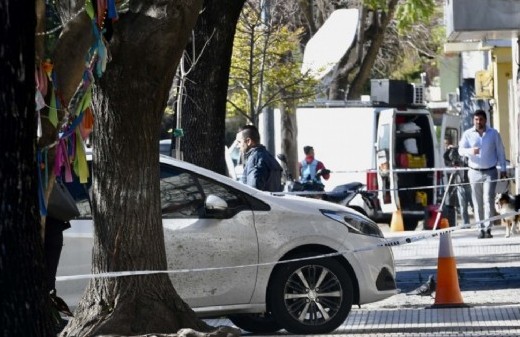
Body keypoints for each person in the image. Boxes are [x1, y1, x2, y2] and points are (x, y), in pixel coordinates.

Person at [458, 109, 507, 239]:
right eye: (476, 119)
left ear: (485, 120)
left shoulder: (493, 133)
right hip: (474, 172)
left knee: (488, 200)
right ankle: (480, 228)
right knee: (477, 201)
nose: (478, 122)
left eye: (481, 119)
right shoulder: (468, 134)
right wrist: (470, 151)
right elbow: (460, 150)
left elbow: (500, 151)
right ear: (473, 120)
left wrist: (503, 169)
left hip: (490, 171)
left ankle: (488, 228)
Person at [236, 125, 283, 192]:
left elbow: (253, 192)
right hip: (272, 201)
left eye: (239, 142)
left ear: (248, 141)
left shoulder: (255, 160)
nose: (237, 146)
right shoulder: (268, 156)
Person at [443, 138, 473, 228]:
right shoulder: (456, 153)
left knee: (474, 205)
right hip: (460, 183)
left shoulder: (468, 153)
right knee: (462, 206)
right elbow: (446, 158)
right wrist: (449, 150)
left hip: (470, 183)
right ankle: (466, 224)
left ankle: (480, 223)